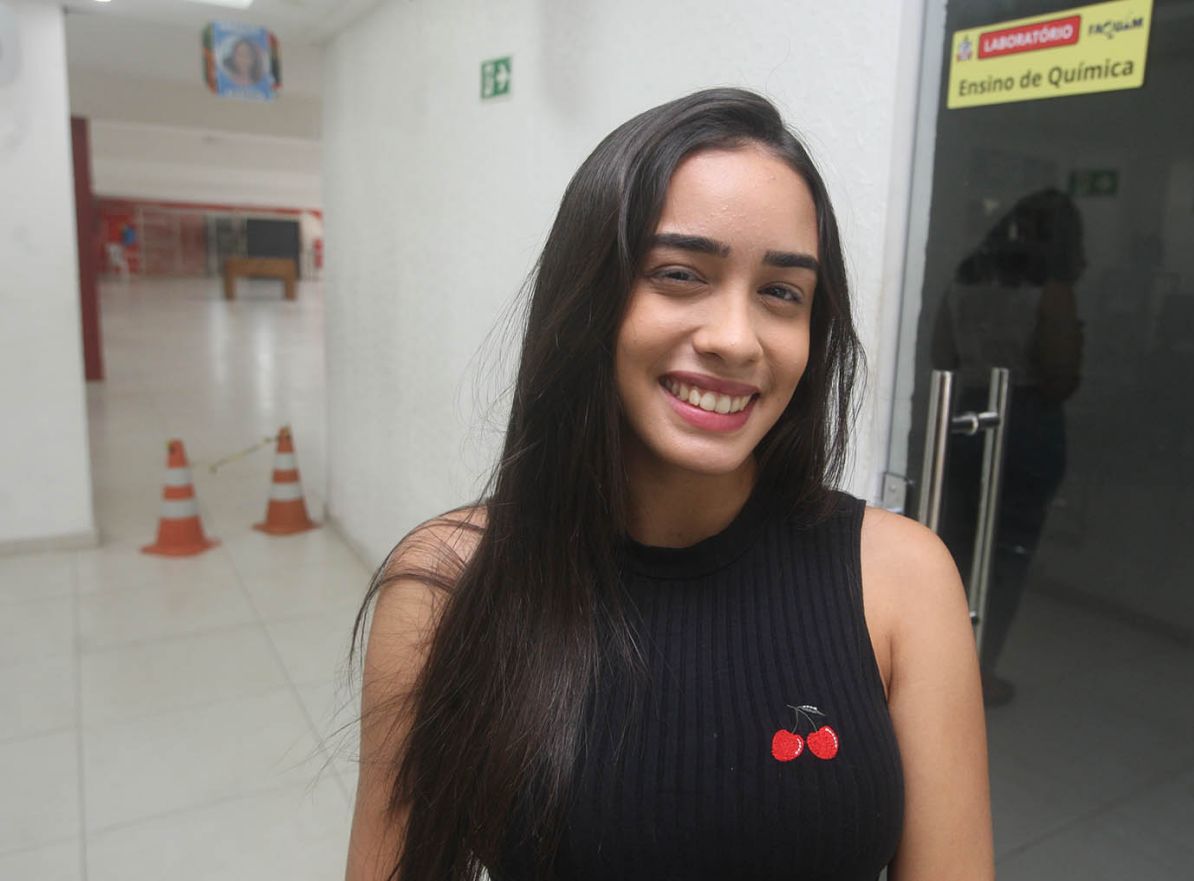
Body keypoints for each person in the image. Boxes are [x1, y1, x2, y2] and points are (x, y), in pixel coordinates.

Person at [345, 88, 991, 881]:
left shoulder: (903, 579)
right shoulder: (447, 584)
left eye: (781, 292)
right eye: (680, 273)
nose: (736, 340)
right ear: (589, 298)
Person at [931, 187, 1085, 706]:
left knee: (955, 542)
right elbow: (1060, 377)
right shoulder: (1053, 291)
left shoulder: (966, 277)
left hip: (966, 414)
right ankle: (980, 672)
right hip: (1028, 422)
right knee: (1010, 550)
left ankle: (933, 661)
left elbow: (942, 354)